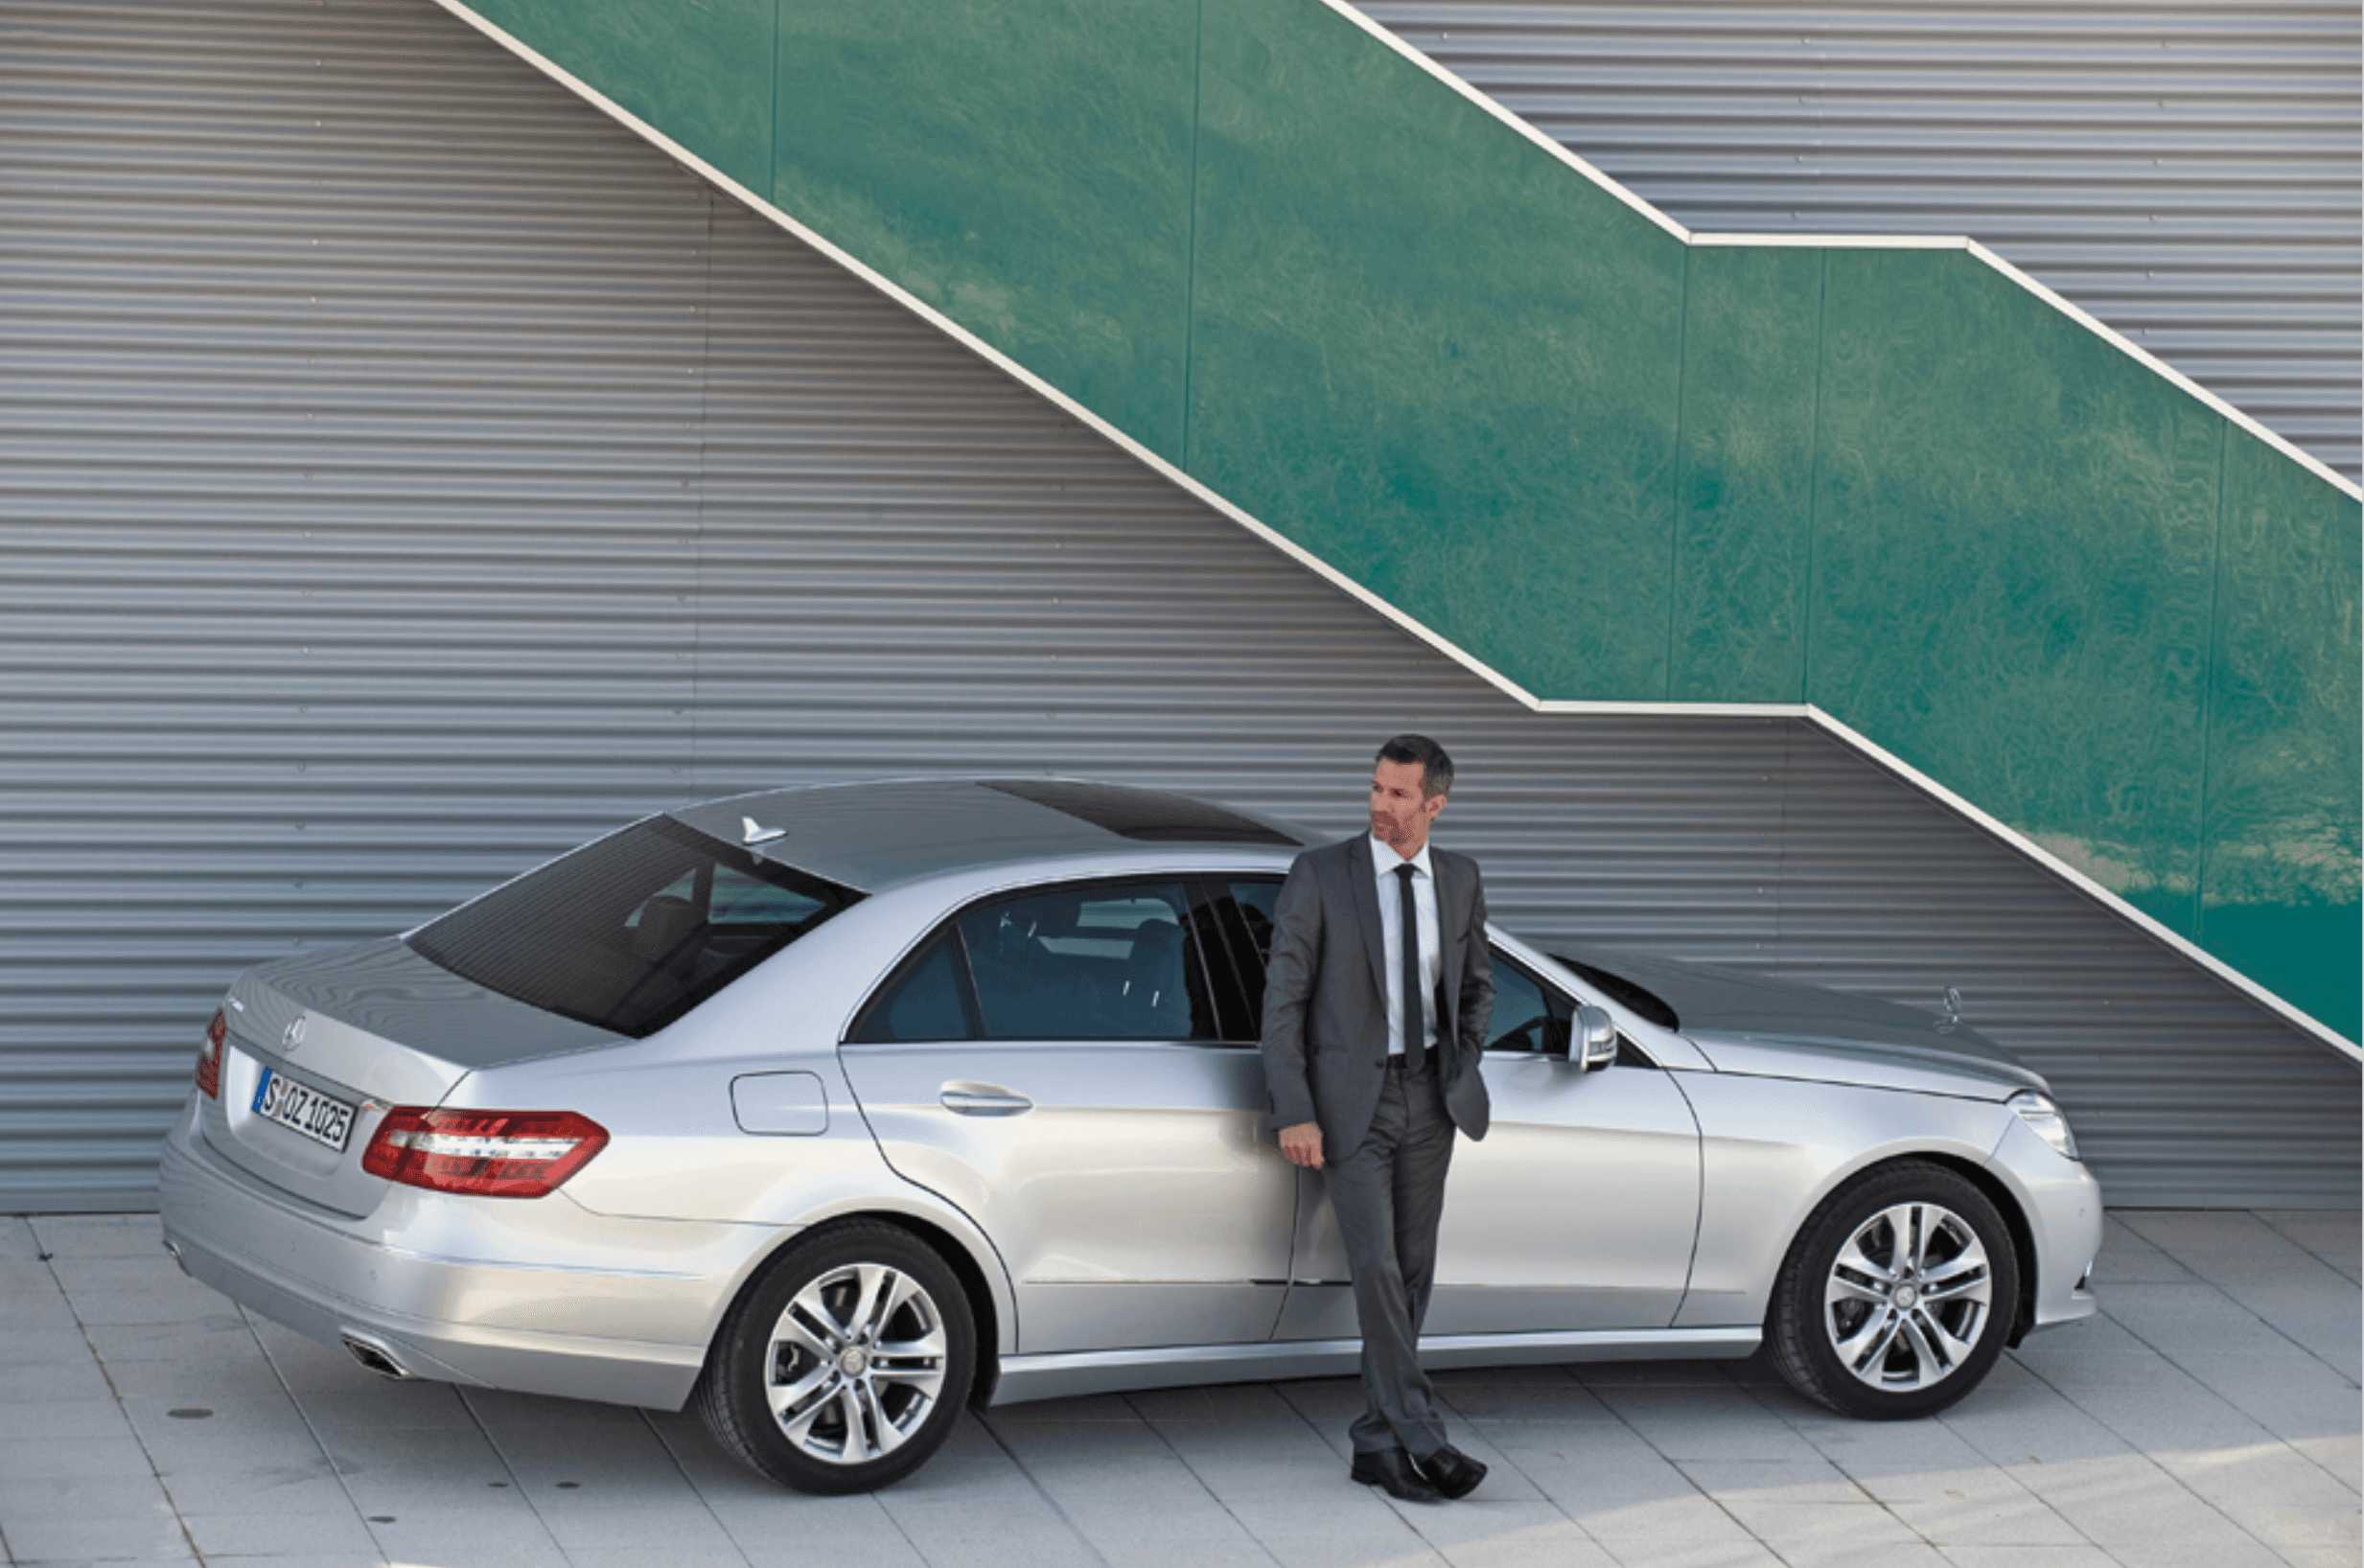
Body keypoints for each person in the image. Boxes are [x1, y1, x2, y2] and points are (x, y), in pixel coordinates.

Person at [1259, 734, 1495, 1503]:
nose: (1379, 805)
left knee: (1416, 1269)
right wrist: (1295, 1108)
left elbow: (1476, 986)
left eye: (1398, 795)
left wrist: (1463, 1063)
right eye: (1374, 789)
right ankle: (1424, 1436)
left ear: (1435, 805)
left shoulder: (1458, 880)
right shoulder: (1322, 875)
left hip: (1431, 1097)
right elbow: (1284, 1003)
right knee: (1376, 1269)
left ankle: (1376, 1443)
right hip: (1349, 1105)